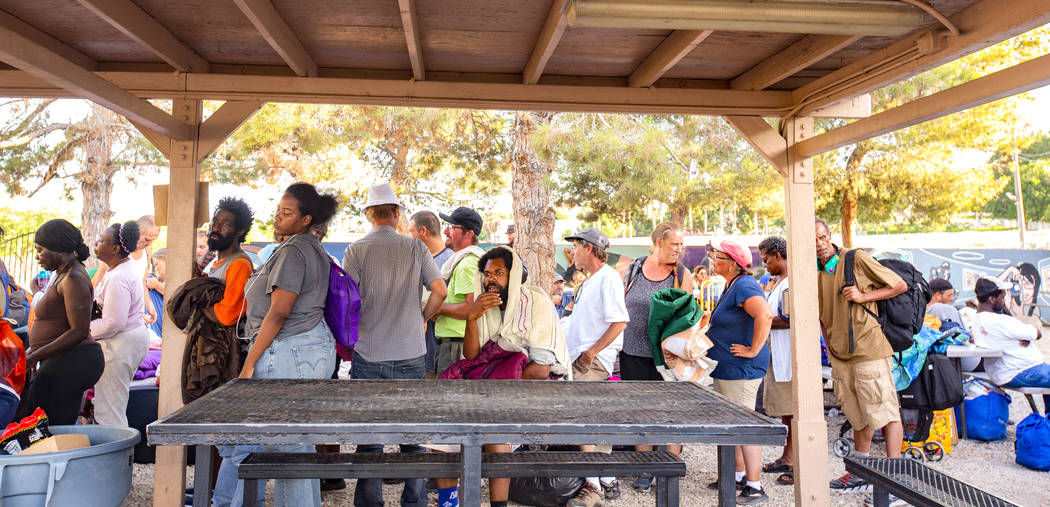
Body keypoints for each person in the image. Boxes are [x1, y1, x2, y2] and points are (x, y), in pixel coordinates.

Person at [342, 183, 447, 507]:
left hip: (369, 353)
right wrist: (423, 318)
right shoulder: (416, 249)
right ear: (396, 213)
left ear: (369, 215)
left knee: (369, 439)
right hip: (411, 353)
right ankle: (414, 501)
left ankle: (369, 502)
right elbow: (440, 291)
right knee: (413, 437)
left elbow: (348, 300)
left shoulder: (356, 250)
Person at [239, 182, 338, 507]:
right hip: (309, 347)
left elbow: (279, 311)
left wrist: (250, 362)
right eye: (278, 210)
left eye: (287, 213)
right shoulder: (311, 247)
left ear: (306, 218)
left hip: (289, 350)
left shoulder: (294, 251)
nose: (278, 217)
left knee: (285, 448)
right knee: (299, 445)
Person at [448, 245, 568, 507]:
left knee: (495, 432)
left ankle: (497, 504)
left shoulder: (536, 302)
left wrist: (492, 394)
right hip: (490, 388)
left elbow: (540, 370)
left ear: (513, 276)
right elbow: (471, 358)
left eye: (498, 273)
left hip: (533, 392)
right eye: (487, 274)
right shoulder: (484, 304)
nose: (490, 279)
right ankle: (449, 501)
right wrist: (471, 318)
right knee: (445, 430)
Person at [815, 219, 907, 499]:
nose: (817, 244)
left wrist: (864, 295)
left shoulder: (855, 259)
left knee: (886, 411)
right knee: (857, 415)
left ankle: (894, 482)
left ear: (829, 236)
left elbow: (899, 285)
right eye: (811, 240)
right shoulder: (813, 270)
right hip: (841, 355)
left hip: (868, 349)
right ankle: (862, 472)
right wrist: (830, 349)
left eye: (821, 238)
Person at [616, 222, 693, 493]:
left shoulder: (681, 274)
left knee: (669, 411)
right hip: (633, 352)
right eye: (675, 244)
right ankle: (645, 466)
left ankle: (669, 465)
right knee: (639, 410)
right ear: (658, 241)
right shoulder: (633, 269)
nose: (679, 250)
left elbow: (688, 314)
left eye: (681, 245)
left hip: (667, 356)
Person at [204, 197, 263, 507]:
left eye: (225, 223)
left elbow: (228, 314)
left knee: (235, 439)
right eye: (215, 221)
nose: (217, 228)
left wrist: (200, 305)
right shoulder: (214, 263)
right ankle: (223, 499)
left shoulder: (240, 263)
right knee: (224, 439)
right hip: (213, 354)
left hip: (230, 356)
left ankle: (231, 500)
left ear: (239, 231)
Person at [14, 220, 104, 426]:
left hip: (74, 359)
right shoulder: (61, 274)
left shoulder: (74, 278)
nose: (37, 256)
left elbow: (79, 331)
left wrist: (34, 355)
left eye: (40, 250)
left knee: (49, 423)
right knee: (36, 418)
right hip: (61, 359)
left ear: (59, 249)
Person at [562, 227, 627, 505]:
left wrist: (591, 353)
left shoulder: (608, 277)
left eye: (575, 246)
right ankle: (606, 478)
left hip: (592, 360)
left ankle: (593, 486)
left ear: (589, 247)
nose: (572, 252)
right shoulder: (591, 280)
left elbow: (619, 322)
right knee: (590, 417)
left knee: (582, 419)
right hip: (580, 357)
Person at [704, 239, 772, 504]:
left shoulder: (743, 284)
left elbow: (764, 315)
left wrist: (753, 349)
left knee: (745, 426)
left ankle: (754, 485)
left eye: (717, 256)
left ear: (732, 263)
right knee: (734, 423)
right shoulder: (732, 285)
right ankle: (737, 475)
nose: (712, 259)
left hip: (741, 368)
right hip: (728, 367)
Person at [91, 220, 150, 427]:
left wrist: (82, 331)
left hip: (119, 344)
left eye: (101, 241)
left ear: (115, 249)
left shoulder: (118, 277)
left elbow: (112, 323)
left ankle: (115, 455)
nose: (96, 244)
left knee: (110, 410)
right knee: (111, 402)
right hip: (127, 340)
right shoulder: (121, 269)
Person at [972, 277, 1050, 409]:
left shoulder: (978, 320)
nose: (1005, 301)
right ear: (992, 299)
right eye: (1003, 298)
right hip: (1022, 371)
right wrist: (1029, 335)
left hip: (1004, 372)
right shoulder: (1000, 321)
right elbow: (1037, 333)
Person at [756, 236, 794, 486]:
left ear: (778, 256)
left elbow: (790, 317)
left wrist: (763, 319)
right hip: (776, 353)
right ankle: (787, 456)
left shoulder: (791, 282)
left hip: (789, 355)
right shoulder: (778, 281)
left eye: (767, 260)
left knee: (793, 410)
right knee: (785, 411)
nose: (765, 265)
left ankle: (796, 462)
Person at [433, 207, 485, 376]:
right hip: (455, 345)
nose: (446, 231)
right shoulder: (466, 260)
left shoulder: (467, 264)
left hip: (457, 348)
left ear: (469, 233)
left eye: (452, 227)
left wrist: (438, 308)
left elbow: (471, 308)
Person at [409, 210, 454, 378]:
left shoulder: (450, 262)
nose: (408, 236)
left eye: (411, 230)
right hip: (415, 349)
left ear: (423, 231)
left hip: (436, 348)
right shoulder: (415, 258)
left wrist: (425, 316)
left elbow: (444, 297)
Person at [93, 215, 160, 326]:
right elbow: (98, 285)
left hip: (135, 315)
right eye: (147, 239)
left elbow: (142, 284)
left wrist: (149, 304)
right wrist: (136, 313)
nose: (149, 244)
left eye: (153, 240)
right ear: (136, 232)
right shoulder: (116, 252)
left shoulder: (147, 251)